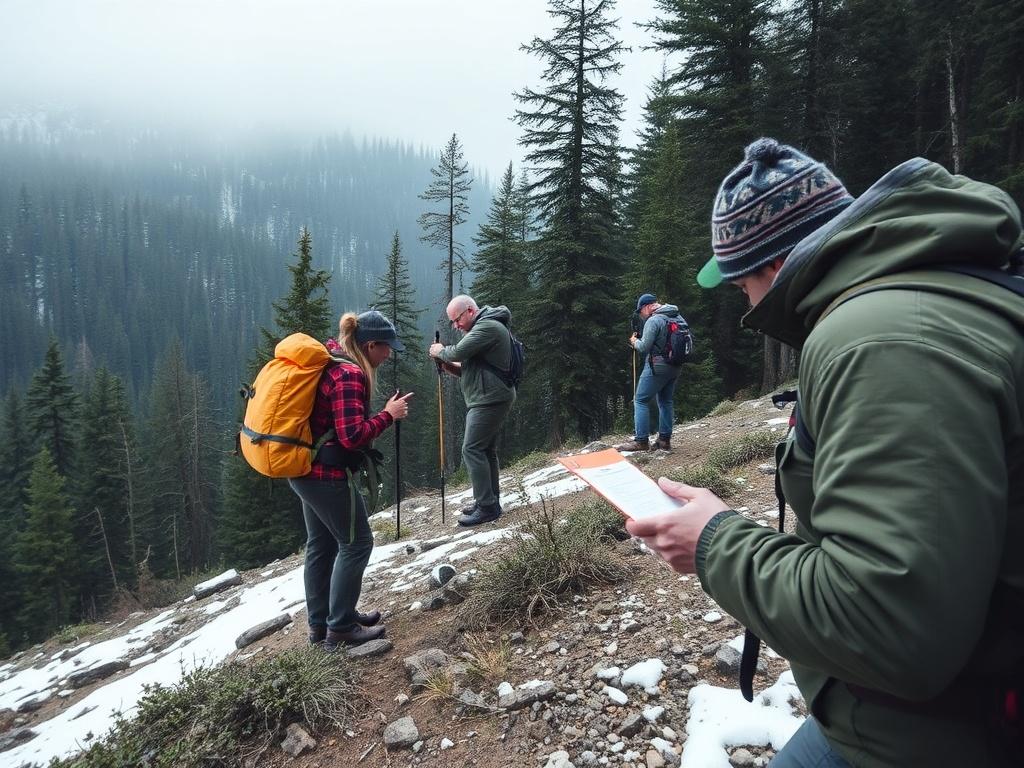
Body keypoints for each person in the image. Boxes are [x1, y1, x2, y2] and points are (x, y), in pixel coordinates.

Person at [626, 138, 1024, 766]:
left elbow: (890, 627)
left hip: (933, 732)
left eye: (742, 285)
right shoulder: (931, 291)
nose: (746, 303)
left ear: (775, 264)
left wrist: (713, 542)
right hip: (925, 707)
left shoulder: (883, 342)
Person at [289, 310, 414, 649]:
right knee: (357, 544)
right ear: (370, 345)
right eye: (386, 348)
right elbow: (352, 437)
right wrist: (388, 415)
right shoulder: (349, 374)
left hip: (304, 470)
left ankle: (321, 625)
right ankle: (341, 627)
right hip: (326, 476)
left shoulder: (331, 359)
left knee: (322, 545)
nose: (388, 355)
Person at [428, 295, 516, 527]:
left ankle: (486, 506)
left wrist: (440, 351)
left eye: (457, 320)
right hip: (490, 397)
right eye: (452, 322)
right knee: (485, 450)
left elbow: (456, 352)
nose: (456, 325)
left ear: (469, 310)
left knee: (472, 449)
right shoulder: (483, 327)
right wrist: (445, 363)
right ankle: (489, 502)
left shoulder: (487, 327)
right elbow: (467, 370)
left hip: (489, 399)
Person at [614, 293, 686, 451]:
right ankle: (664, 440)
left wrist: (634, 341)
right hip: (676, 365)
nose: (641, 315)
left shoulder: (654, 320)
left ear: (646, 307)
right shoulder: (677, 316)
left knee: (640, 400)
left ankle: (641, 441)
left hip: (657, 365)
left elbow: (644, 347)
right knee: (665, 401)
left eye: (641, 312)